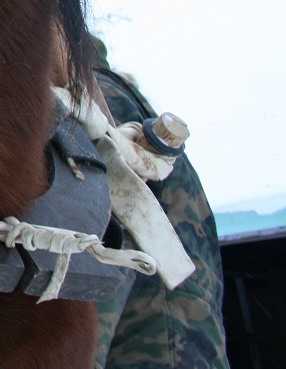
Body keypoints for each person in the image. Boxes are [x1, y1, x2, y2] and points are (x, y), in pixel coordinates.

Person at [89, 37, 228, 369]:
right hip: (178, 333)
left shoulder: (93, 106)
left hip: (149, 338)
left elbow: (100, 252)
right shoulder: (117, 101)